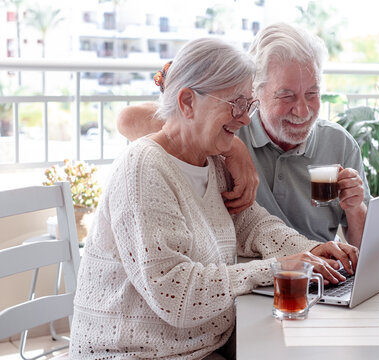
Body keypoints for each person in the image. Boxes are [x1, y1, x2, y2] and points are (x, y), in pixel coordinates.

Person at [70, 38, 358, 360]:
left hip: (205, 347)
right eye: (235, 104)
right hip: (138, 354)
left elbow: (252, 223)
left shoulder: (211, 159)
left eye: (248, 105)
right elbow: (176, 293)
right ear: (188, 102)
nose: (246, 119)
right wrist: (277, 268)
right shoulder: (144, 169)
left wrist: (308, 250)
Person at [118, 23, 370, 248]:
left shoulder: (338, 143)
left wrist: (355, 208)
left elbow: (367, 248)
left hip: (317, 275)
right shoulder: (229, 128)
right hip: (247, 277)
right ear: (255, 92)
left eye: (312, 94)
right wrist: (235, 147)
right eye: (286, 96)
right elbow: (128, 119)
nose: (303, 110)